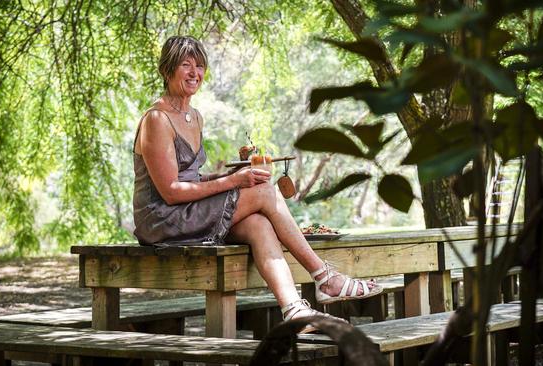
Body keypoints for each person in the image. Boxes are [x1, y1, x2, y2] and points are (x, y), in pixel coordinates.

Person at [133, 35, 382, 331]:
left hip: (189, 210)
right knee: (264, 192)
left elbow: (194, 178)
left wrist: (230, 178)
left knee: (258, 225)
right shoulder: (157, 119)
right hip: (162, 219)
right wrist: (234, 182)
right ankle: (325, 277)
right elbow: (171, 192)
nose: (194, 73)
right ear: (167, 70)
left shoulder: (194, 116)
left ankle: (294, 311)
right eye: (185, 65)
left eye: (199, 66)